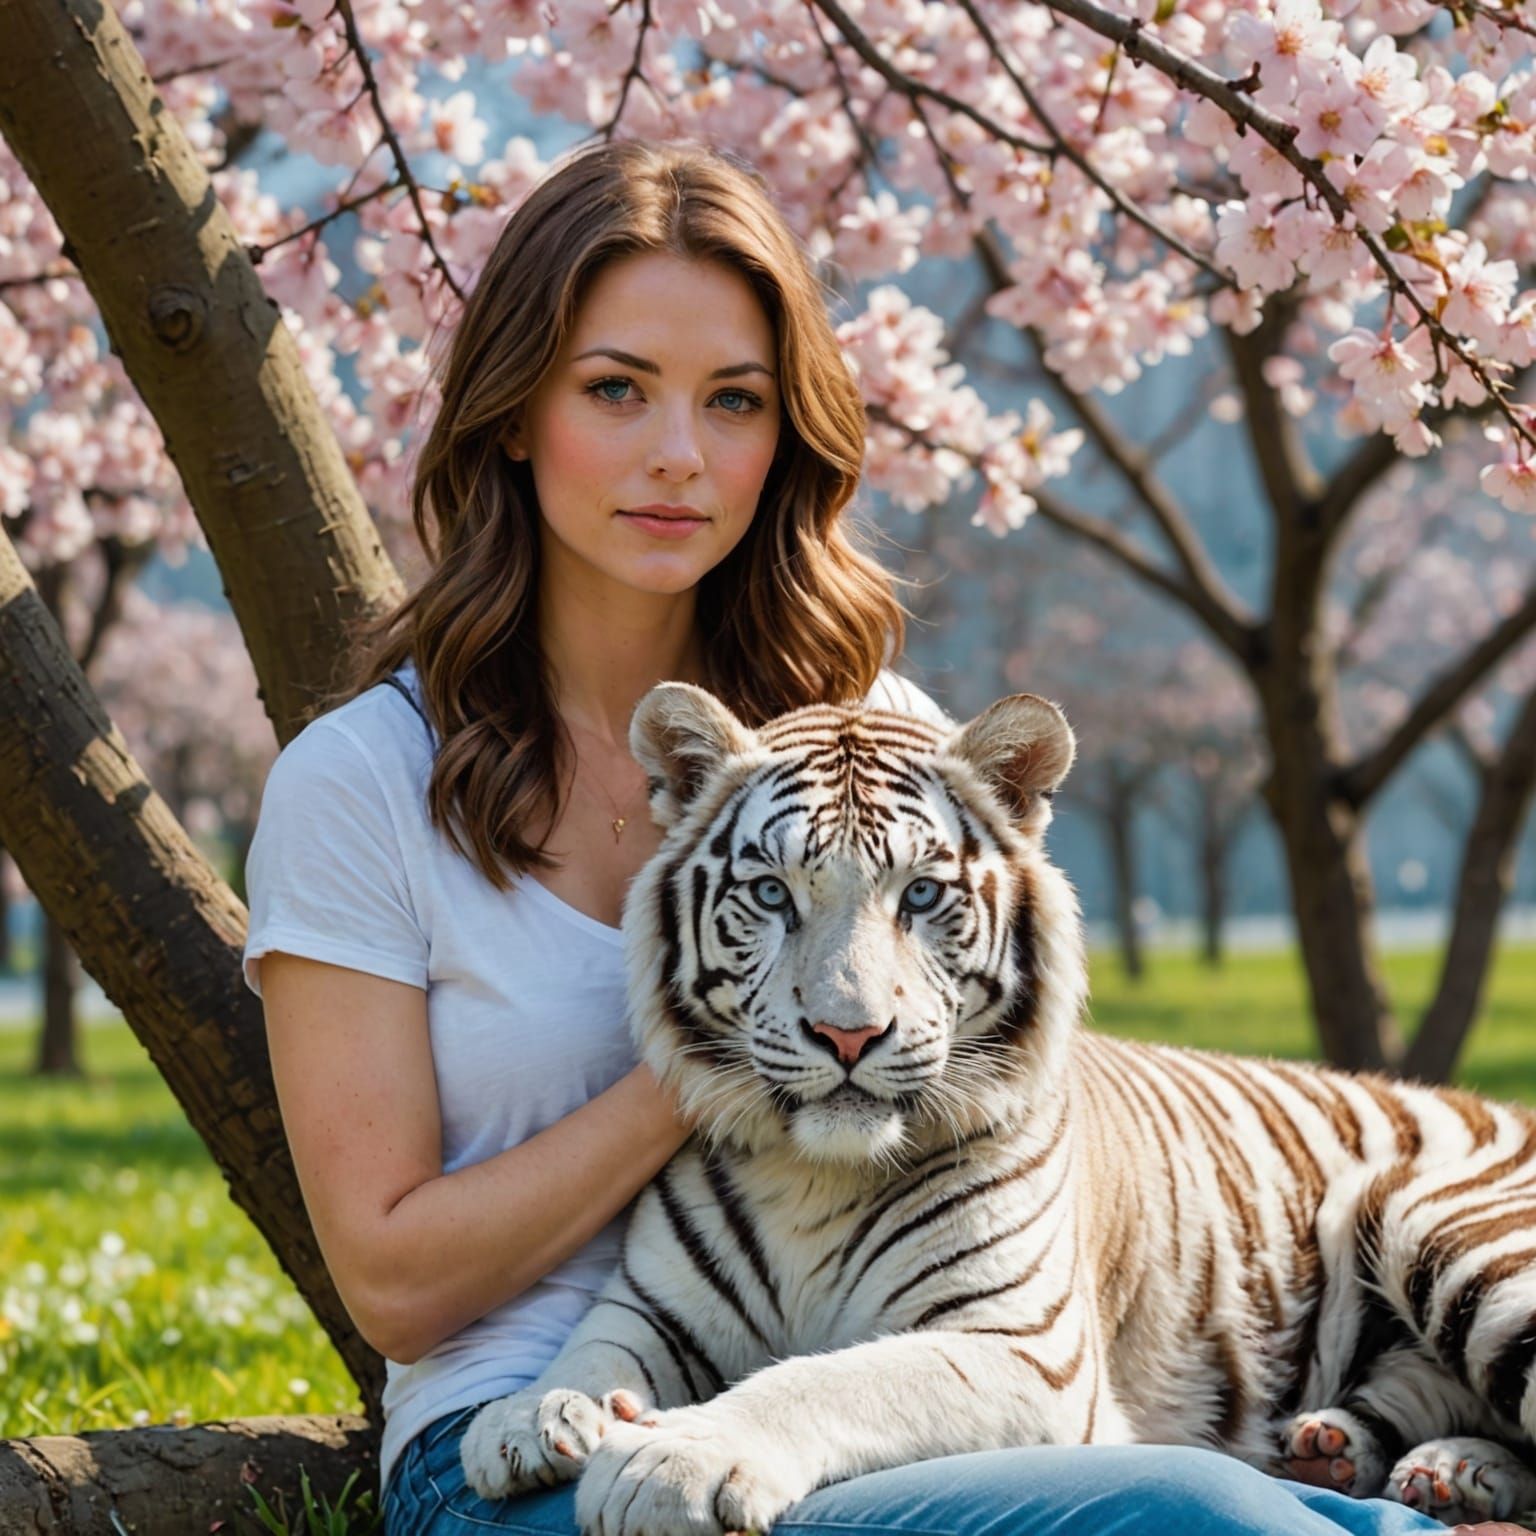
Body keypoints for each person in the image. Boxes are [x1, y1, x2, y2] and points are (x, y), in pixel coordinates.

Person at [243, 137, 1509, 1536]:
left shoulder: (886, 737)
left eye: (735, 400)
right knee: (1199, 1519)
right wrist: (714, 1057)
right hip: (518, 1446)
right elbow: (395, 1284)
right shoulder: (362, 781)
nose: (679, 453)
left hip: (871, 1419)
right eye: (617, 389)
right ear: (514, 412)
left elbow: (1008, 1131)